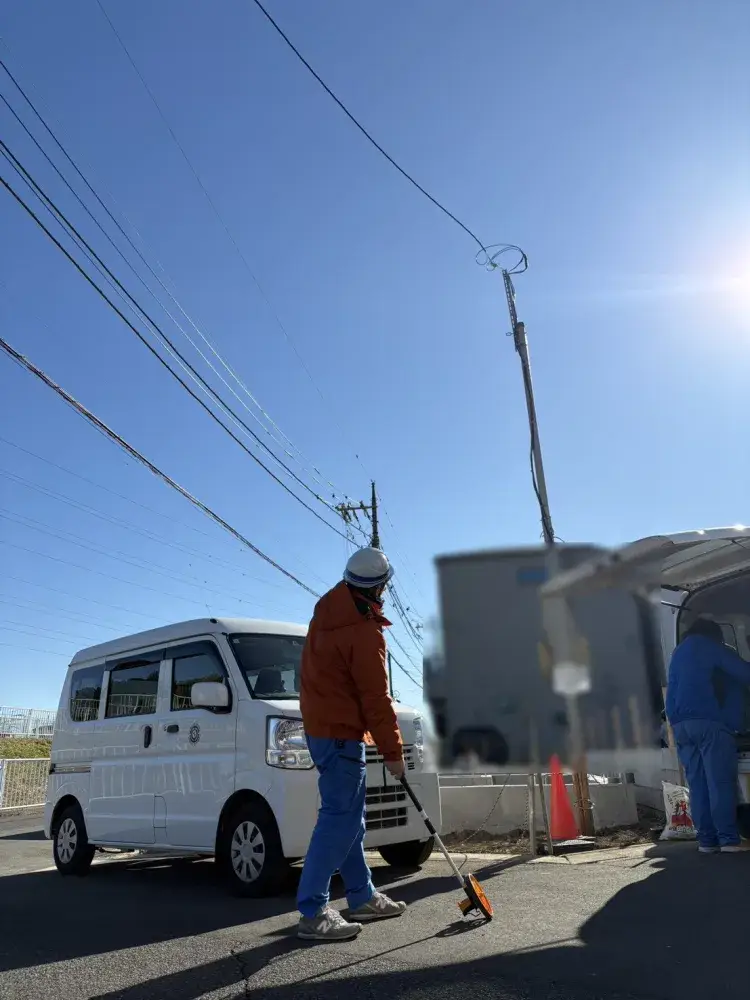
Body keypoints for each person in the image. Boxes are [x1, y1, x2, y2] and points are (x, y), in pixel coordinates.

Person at [296, 546, 408, 941]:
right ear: (378, 588)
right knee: (338, 820)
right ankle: (312, 911)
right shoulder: (363, 631)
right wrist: (393, 753)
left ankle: (361, 895)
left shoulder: (327, 612)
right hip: (341, 734)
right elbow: (375, 699)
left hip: (321, 730)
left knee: (349, 821)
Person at [665, 617, 750, 853]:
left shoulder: (678, 653)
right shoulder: (710, 646)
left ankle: (707, 841)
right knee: (719, 782)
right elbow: (743, 673)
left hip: (681, 726)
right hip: (709, 723)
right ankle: (729, 839)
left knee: (698, 783)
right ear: (715, 635)